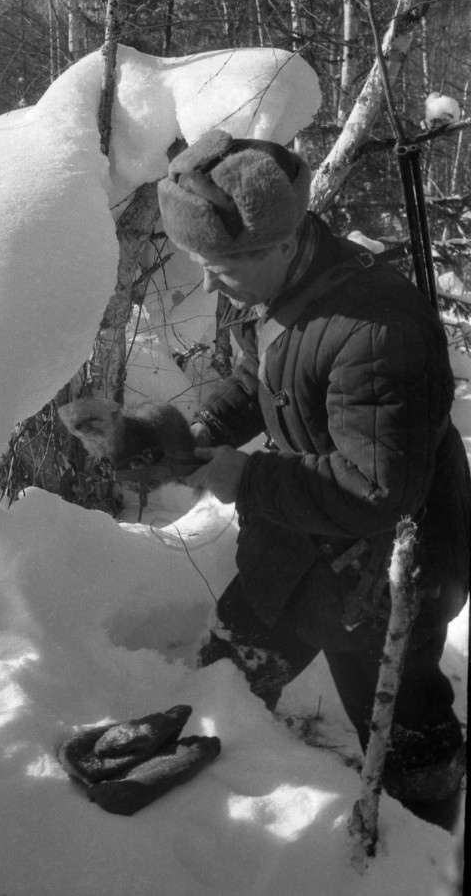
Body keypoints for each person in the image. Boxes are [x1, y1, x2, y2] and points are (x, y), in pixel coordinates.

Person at [157, 129, 469, 830]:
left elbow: (375, 489)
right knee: (224, 676)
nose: (208, 281)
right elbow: (268, 376)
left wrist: (248, 478)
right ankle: (195, 821)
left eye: (223, 263)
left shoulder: (374, 328)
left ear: (283, 243)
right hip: (304, 542)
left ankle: (423, 852)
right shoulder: (292, 287)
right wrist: (206, 431)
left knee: (403, 722)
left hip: (391, 567)